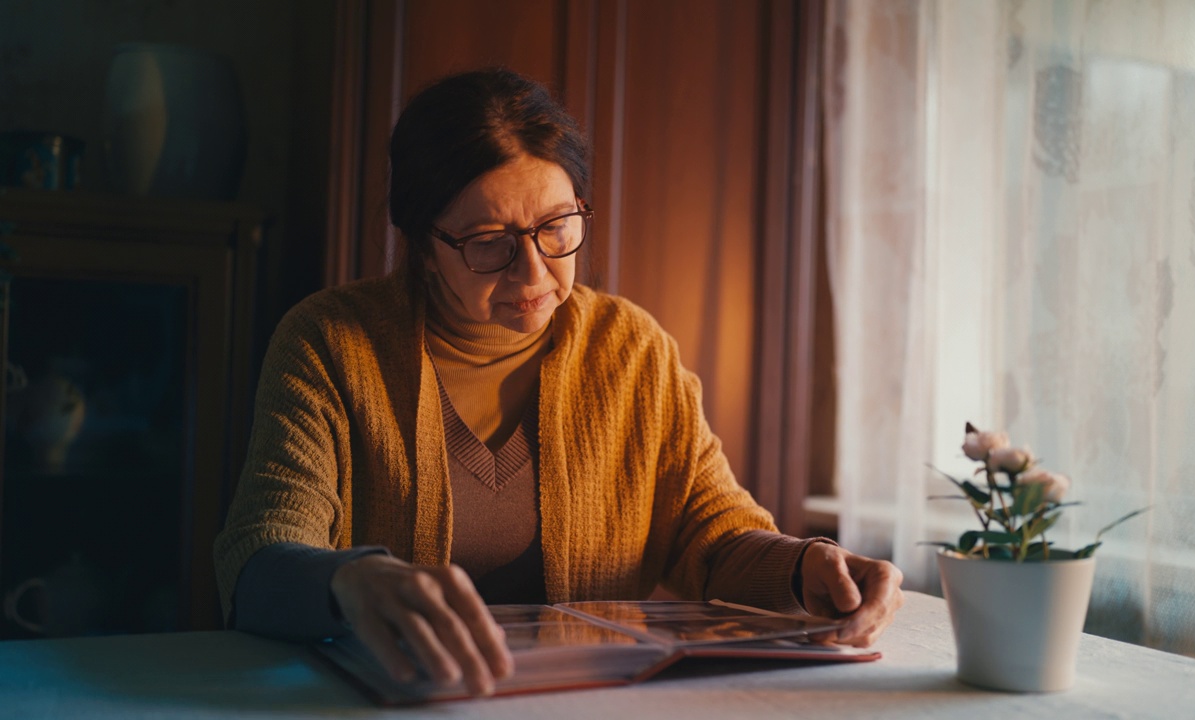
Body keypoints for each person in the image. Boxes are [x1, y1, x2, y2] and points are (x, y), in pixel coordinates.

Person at [213, 67, 903, 698]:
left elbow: (711, 538)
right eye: (487, 243)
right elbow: (259, 558)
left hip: (585, 703)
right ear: (422, 244)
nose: (534, 275)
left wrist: (807, 567)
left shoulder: (630, 352)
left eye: (556, 228)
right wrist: (350, 579)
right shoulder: (333, 345)